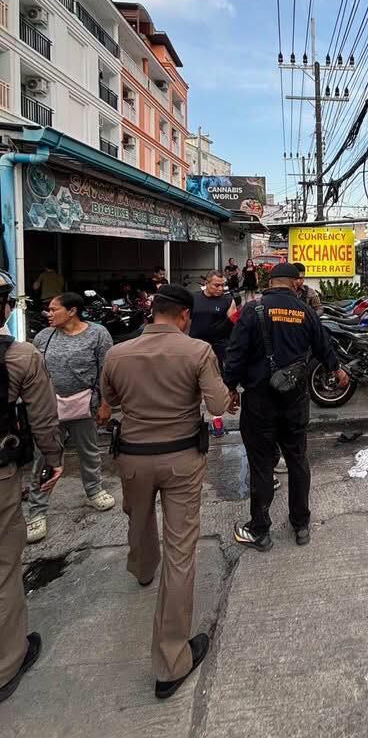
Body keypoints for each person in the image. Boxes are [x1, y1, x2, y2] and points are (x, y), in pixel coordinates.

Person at [100, 284, 230, 700]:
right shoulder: (197, 352)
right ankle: (171, 661)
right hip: (181, 460)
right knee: (181, 552)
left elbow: (110, 402)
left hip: (133, 458)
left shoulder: (116, 354)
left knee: (138, 520)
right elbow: (218, 405)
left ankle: (141, 569)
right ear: (185, 316)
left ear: (152, 312)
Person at [224, 262, 350, 550]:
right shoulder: (304, 311)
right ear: (294, 283)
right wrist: (337, 369)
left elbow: (235, 353)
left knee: (261, 465)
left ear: (271, 282)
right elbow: (323, 346)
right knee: (297, 459)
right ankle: (301, 525)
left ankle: (260, 530)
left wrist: (231, 387)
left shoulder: (252, 310)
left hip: (259, 401)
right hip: (294, 400)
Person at [0, 269, 63, 705]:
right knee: (5, 565)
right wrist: (53, 460)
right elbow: (42, 417)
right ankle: (7, 661)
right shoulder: (20, 357)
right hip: (2, 472)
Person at [26, 292, 115, 544]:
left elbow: (105, 371)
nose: (49, 314)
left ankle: (94, 490)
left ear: (72, 311)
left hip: (84, 404)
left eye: (54, 309)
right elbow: (34, 375)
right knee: (44, 456)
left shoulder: (98, 334)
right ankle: (37, 511)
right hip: (49, 407)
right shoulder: (43, 337)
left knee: (89, 451)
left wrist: (106, 404)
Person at [189, 270, 237, 437]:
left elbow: (234, 322)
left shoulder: (227, 300)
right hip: (195, 346)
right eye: (217, 285)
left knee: (215, 385)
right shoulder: (193, 299)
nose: (220, 288)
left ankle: (217, 420)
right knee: (192, 385)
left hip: (219, 347)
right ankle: (191, 421)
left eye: (223, 285)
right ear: (207, 283)